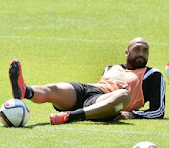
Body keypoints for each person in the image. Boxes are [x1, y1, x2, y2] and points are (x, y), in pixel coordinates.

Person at [8, 37, 165, 125]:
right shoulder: (111, 67)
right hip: (89, 91)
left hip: (107, 100)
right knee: (54, 88)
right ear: (127, 52)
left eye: (145, 51)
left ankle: (71, 116)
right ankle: (24, 91)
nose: (141, 53)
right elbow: (100, 87)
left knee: (123, 95)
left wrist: (132, 114)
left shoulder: (152, 74)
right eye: (137, 49)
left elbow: (158, 111)